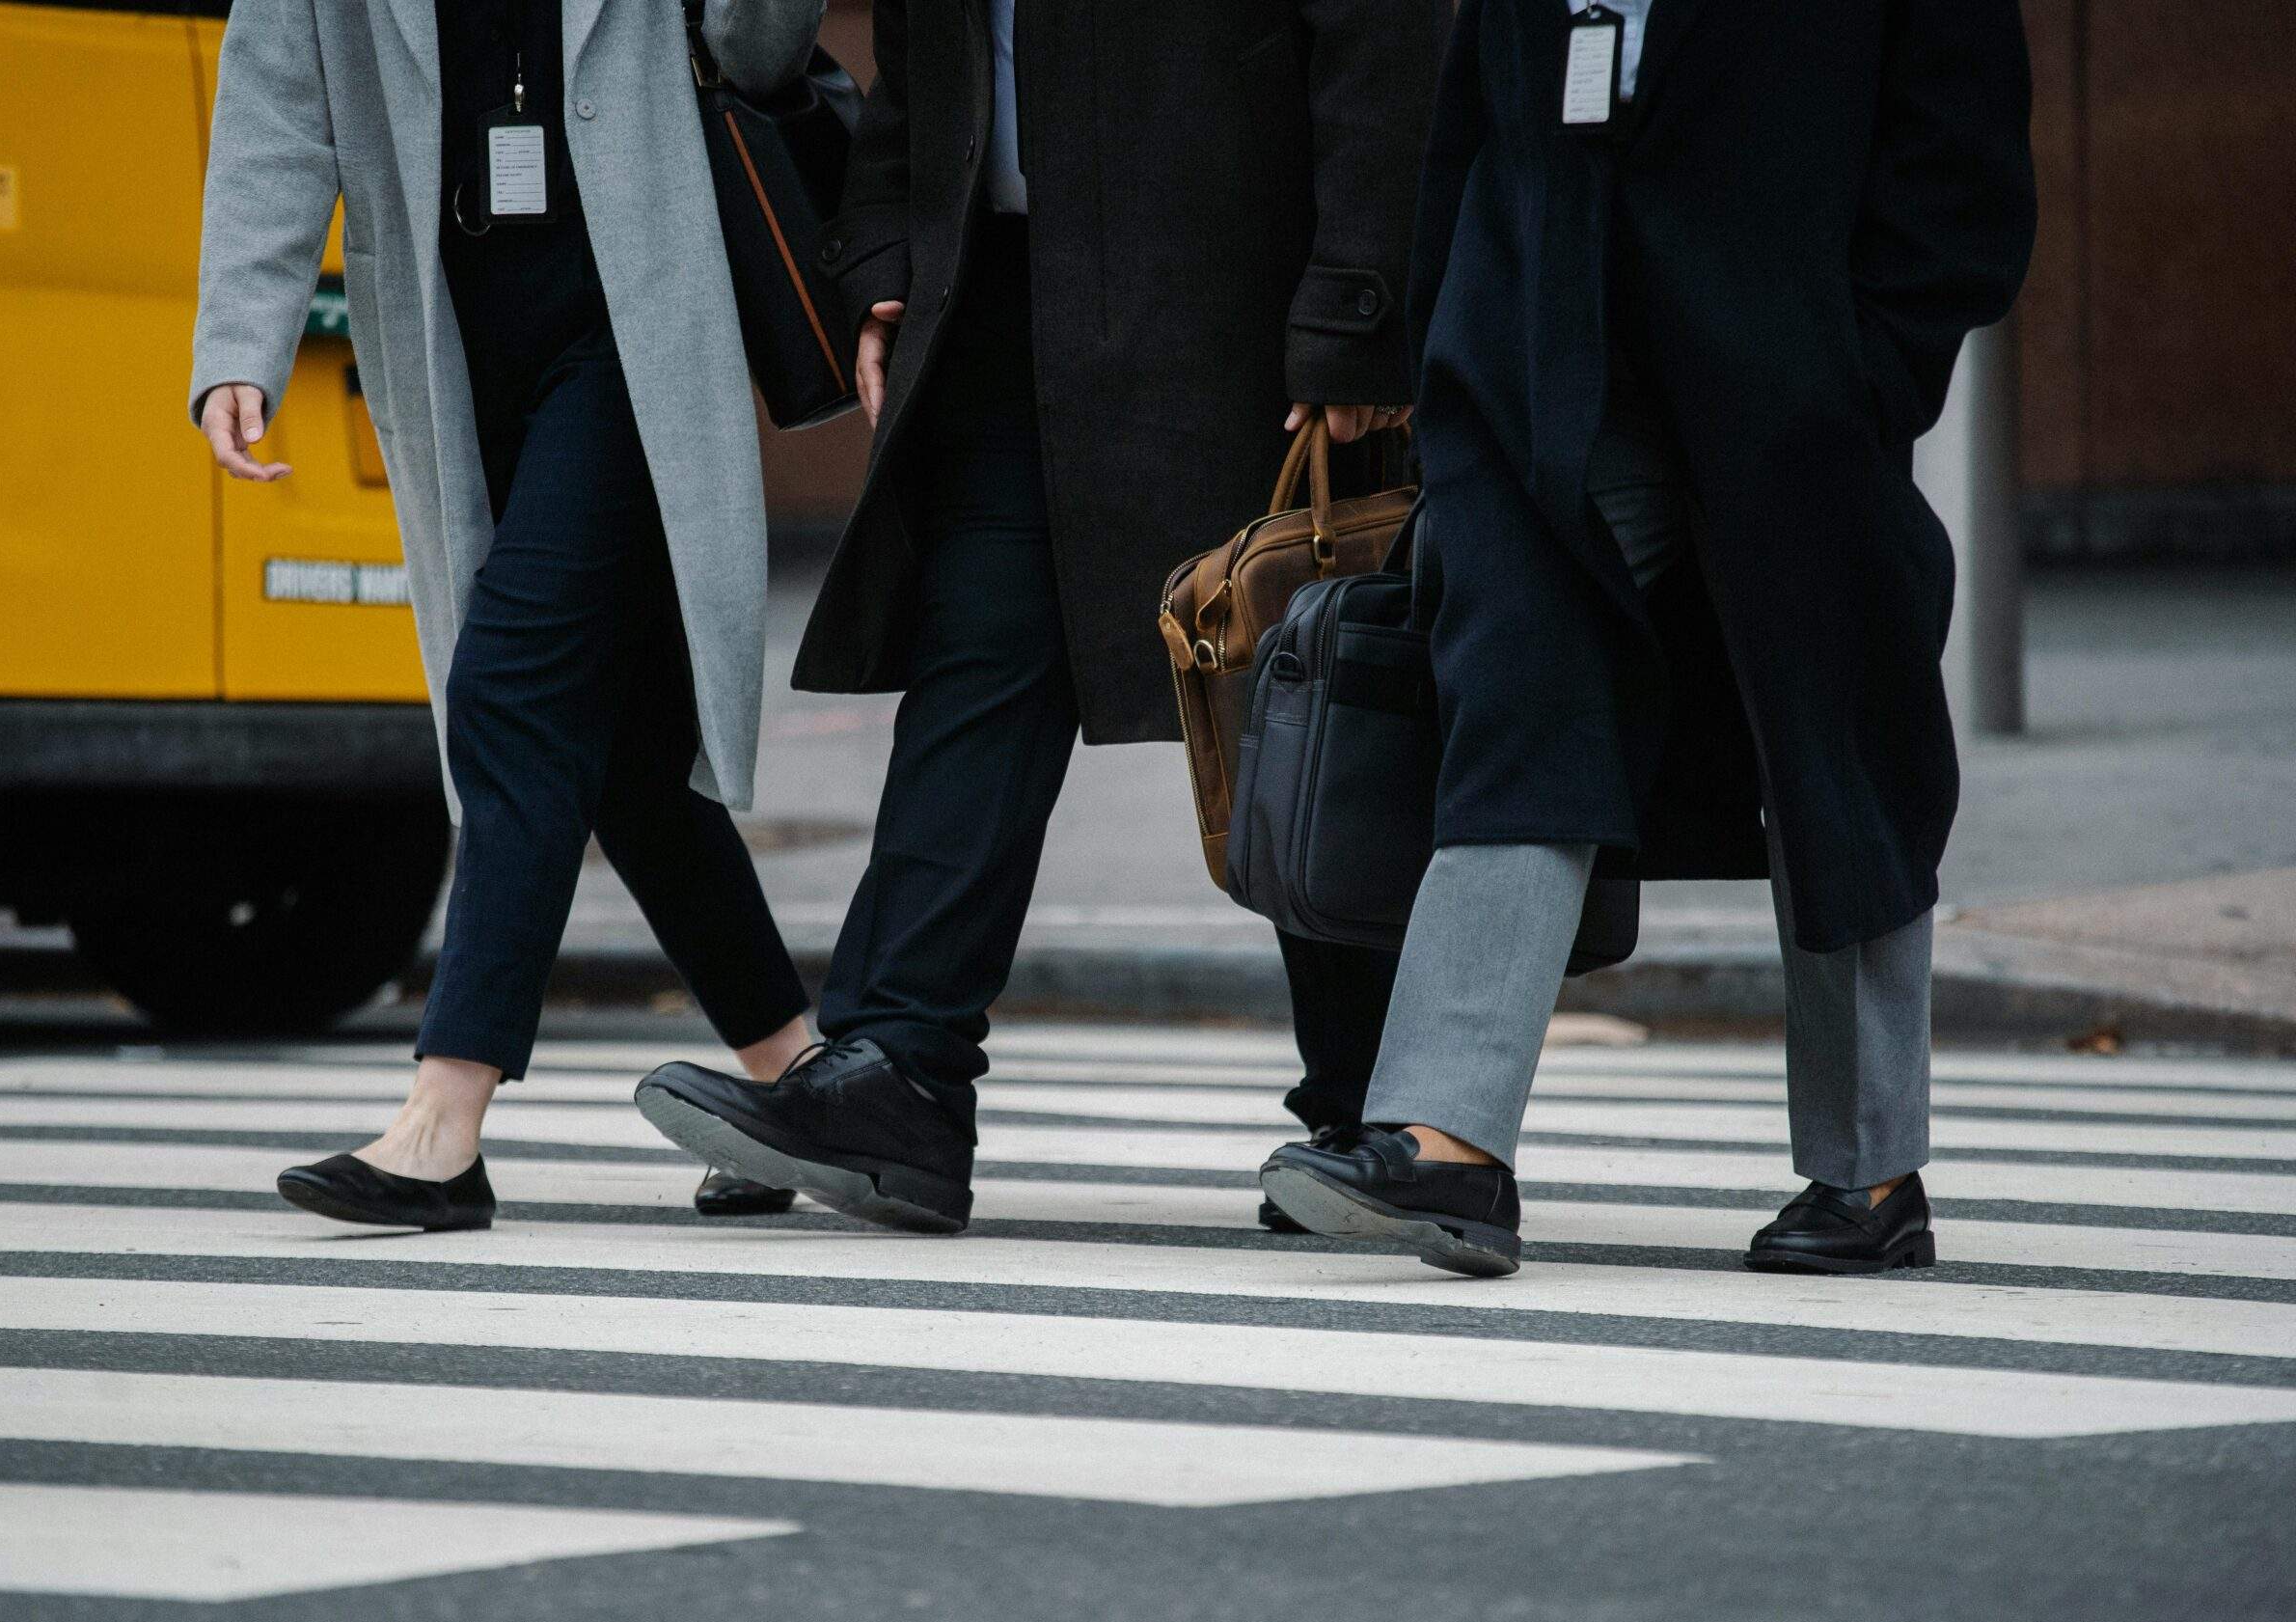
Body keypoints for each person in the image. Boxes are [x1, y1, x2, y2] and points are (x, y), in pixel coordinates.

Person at [638, 0, 1447, 1234]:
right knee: (981, 662)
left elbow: (1381, 46)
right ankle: (899, 1070)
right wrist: (885, 254)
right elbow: (920, 56)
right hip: (999, 300)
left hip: (1239, 302)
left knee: (1295, 683)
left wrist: (1359, 304)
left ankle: (1377, 1102)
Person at [1259, 0, 2038, 1277]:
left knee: (1837, 753)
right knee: (1516, 685)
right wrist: (1450, 341)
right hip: (1545, 369)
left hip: (1790, 384)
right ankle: (1451, 1134)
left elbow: (1964, 157)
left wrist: (1866, 369)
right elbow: (1472, 118)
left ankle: (1871, 1170)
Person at [190, 0, 827, 1231]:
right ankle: (796, 1079)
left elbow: (760, 48)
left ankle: (444, 1116)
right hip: (449, 323)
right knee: (630, 761)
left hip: (631, 318)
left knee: (512, 689)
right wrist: (240, 341)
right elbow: (276, 93)